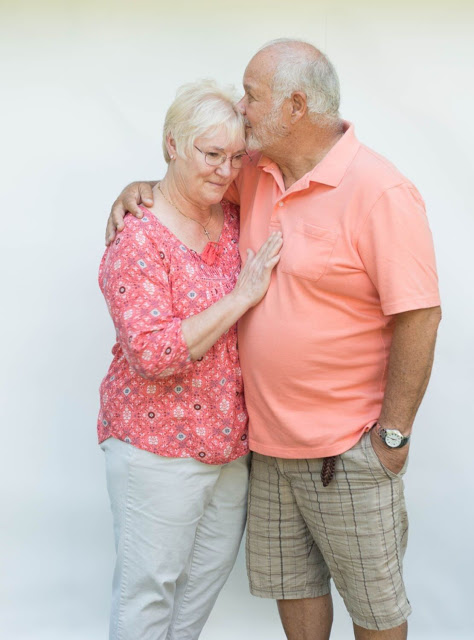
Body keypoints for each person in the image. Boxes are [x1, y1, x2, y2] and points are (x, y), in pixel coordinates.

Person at [106, 40, 442, 640]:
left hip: (347, 449)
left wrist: (392, 437)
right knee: (295, 591)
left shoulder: (380, 192)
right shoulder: (254, 174)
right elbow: (188, 185)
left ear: (294, 106)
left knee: (375, 609)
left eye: (252, 95)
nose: (242, 107)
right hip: (264, 449)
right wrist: (138, 187)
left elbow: (419, 315)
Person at [98, 79, 282, 640]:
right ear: (172, 144)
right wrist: (241, 297)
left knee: (200, 589)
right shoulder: (138, 237)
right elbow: (152, 352)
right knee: (148, 594)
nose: (226, 171)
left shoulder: (229, 216)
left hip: (228, 447)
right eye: (211, 154)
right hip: (157, 448)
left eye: (235, 157)